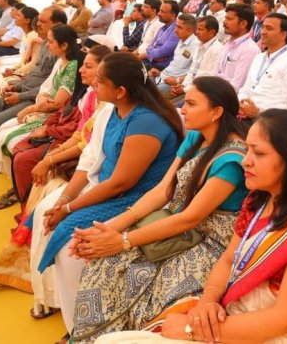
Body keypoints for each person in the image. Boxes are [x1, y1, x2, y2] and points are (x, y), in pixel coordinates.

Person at [97, 109, 287, 343]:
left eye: (259, 153)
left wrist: (192, 330)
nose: (245, 160)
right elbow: (229, 259)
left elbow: (286, 320)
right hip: (236, 312)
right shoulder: (261, 197)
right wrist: (208, 302)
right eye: (247, 149)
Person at [70, 77, 249, 342]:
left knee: (141, 280)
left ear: (217, 112)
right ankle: (88, 335)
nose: (182, 109)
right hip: (176, 224)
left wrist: (123, 241)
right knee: (103, 263)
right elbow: (162, 191)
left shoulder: (232, 159)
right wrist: (112, 228)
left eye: (190, 103)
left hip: (210, 240)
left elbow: (192, 217)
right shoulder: (195, 139)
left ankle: (114, 335)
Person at [29, 52, 182, 338]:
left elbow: (121, 183)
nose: (92, 85)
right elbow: (91, 159)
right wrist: (65, 200)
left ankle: (87, 328)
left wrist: (70, 207)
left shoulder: (146, 122)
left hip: (138, 198)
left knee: (73, 245)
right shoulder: (113, 110)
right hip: (112, 189)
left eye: (99, 81)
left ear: (121, 91)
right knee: (51, 217)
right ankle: (74, 317)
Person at [0, 45, 112, 297]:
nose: (81, 70)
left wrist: (52, 159)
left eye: (88, 66)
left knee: (41, 191)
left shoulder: (112, 107)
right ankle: (26, 220)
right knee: (22, 156)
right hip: (81, 155)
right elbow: (82, 136)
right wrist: (53, 154)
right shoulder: (90, 96)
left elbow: (89, 148)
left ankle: (47, 285)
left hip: (92, 168)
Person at [0, 25, 80, 178]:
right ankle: (13, 178)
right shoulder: (61, 62)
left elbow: (57, 104)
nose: (47, 45)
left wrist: (29, 109)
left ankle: (19, 181)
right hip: (43, 108)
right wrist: (40, 101)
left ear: (64, 45)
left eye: (51, 42)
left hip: (52, 115)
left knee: (10, 137)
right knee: (3, 130)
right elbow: (46, 89)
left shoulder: (72, 66)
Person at [238, 13, 287, 121]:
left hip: (269, 123)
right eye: (263, 27)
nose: (263, 32)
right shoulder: (258, 58)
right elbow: (245, 89)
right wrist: (241, 103)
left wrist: (258, 112)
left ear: (283, 35)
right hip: (244, 115)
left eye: (269, 28)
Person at [170, 16, 223, 104]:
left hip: (202, 93)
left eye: (200, 29)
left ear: (211, 32)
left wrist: (185, 89)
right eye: (197, 29)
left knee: (169, 108)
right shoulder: (199, 45)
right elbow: (192, 71)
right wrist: (182, 85)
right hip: (189, 88)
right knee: (161, 102)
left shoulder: (217, 50)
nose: (196, 32)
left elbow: (208, 79)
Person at [147, 14, 198, 100]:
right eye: (176, 26)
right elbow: (175, 65)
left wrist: (177, 81)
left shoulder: (196, 45)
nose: (175, 30)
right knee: (138, 83)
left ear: (189, 31)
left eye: (179, 27)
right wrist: (160, 73)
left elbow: (194, 73)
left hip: (174, 84)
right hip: (163, 76)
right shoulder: (181, 40)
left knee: (148, 95)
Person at [215, 4, 259, 91]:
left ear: (243, 24)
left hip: (227, 97)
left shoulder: (250, 49)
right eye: (225, 18)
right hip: (216, 90)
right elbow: (215, 73)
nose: (224, 22)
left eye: (229, 19)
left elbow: (236, 86)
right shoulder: (228, 43)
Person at [144, 0, 180, 71]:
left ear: (173, 15)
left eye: (162, 12)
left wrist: (150, 54)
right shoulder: (162, 28)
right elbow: (149, 47)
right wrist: (152, 57)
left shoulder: (176, 30)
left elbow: (162, 52)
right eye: (160, 10)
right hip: (152, 63)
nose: (158, 14)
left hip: (161, 68)